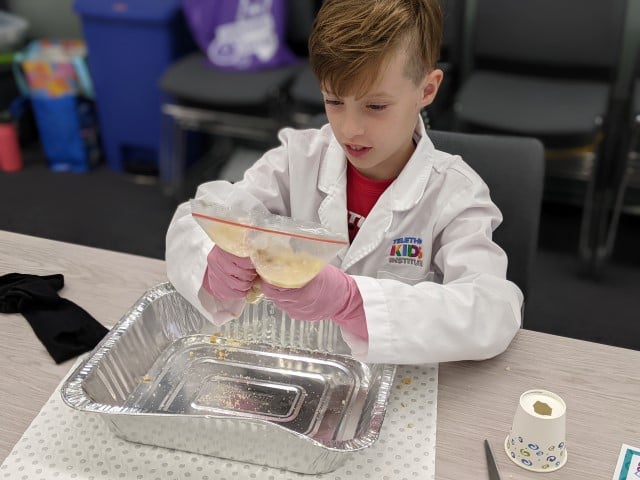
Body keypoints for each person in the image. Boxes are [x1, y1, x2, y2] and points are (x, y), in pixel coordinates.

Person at [165, 0, 523, 364]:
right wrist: (211, 260)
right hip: (303, 364)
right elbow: (194, 220)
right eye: (334, 101)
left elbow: (493, 309)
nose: (350, 130)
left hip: (398, 380)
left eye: (376, 106)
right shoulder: (298, 158)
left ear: (426, 90)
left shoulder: (455, 193)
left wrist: (353, 301)